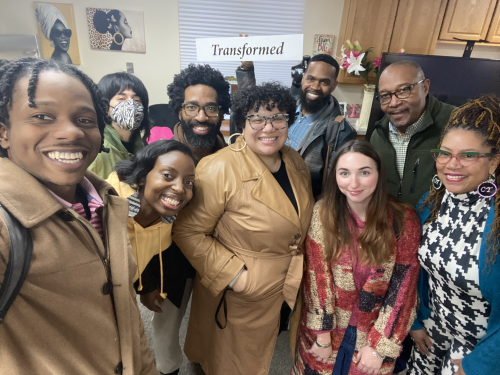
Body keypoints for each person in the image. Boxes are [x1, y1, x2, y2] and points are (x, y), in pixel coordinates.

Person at [0, 57, 155, 374]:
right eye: (42, 116)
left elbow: (126, 312)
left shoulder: (104, 203)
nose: (70, 132)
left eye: (85, 120)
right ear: (4, 133)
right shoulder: (7, 225)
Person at [172, 82, 315, 375]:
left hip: (286, 285)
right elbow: (188, 232)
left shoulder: (295, 161)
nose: (269, 127)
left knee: (263, 352)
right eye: (257, 118)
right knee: (231, 362)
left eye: (278, 118)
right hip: (240, 290)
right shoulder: (218, 168)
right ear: (241, 121)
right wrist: (235, 276)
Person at [292, 140, 421, 375]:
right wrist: (321, 336)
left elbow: (404, 289)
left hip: (373, 332)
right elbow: (316, 277)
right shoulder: (323, 212)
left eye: (364, 172)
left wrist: (379, 347)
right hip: (328, 330)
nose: (353, 183)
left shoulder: (403, 219)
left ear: (379, 174)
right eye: (344, 173)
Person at [408, 95, 500, 375]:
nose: (452, 164)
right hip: (433, 331)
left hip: (479, 346)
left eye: (468, 156)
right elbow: (417, 271)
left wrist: (478, 365)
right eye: (445, 153)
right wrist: (416, 321)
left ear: (494, 162)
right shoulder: (431, 203)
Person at [106, 140, 196, 375]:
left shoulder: (167, 220)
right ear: (143, 176)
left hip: (123, 300)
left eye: (188, 182)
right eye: (168, 175)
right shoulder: (108, 208)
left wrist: (146, 286)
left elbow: (145, 250)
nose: (179, 188)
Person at [236, 54, 357, 197]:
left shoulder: (340, 131)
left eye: (324, 82)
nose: (315, 87)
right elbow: (252, 106)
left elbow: (332, 186)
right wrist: (247, 70)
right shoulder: (285, 106)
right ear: (303, 77)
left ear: (333, 85)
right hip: (257, 188)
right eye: (311, 79)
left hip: (297, 199)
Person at [370, 60, 455, 208]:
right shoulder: (378, 136)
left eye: (403, 90)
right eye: (385, 95)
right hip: (391, 222)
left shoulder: (456, 124)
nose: (394, 103)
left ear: (425, 87)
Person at [88, 72, 150, 179]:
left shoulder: (141, 147)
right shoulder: (97, 151)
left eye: (136, 100)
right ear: (105, 106)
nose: (131, 104)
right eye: (121, 99)